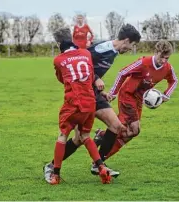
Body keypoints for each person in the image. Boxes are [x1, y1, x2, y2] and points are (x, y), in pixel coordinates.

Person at [43, 24, 141, 181]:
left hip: (94, 93)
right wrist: (96, 79)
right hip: (83, 94)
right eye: (132, 45)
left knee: (114, 127)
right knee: (80, 138)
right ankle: (52, 166)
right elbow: (79, 61)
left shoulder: (114, 52)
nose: (131, 48)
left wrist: (101, 91)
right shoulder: (102, 48)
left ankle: (98, 164)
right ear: (127, 41)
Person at [94, 40, 178, 168]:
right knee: (133, 129)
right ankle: (100, 161)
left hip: (138, 101)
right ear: (156, 52)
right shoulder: (143, 63)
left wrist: (166, 95)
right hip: (127, 96)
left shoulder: (167, 68)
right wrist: (113, 92)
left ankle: (103, 138)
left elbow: (174, 80)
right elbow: (122, 73)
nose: (164, 61)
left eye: (167, 58)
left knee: (129, 132)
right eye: (162, 57)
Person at [47, 28, 111, 185]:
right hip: (90, 102)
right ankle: (101, 168)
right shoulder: (86, 54)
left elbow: (62, 79)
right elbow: (89, 75)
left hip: (73, 103)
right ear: (73, 41)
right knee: (85, 136)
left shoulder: (58, 60)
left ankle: (55, 175)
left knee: (63, 136)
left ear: (59, 45)